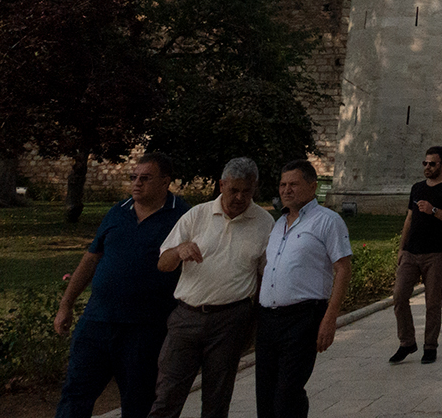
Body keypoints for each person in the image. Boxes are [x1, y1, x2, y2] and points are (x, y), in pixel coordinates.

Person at [55, 153, 190, 418]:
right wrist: (66, 304)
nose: (136, 183)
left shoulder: (184, 216)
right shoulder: (118, 211)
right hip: (97, 324)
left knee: (138, 402)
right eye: (133, 178)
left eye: (145, 178)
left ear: (165, 182)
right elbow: (91, 259)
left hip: (144, 331)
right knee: (75, 395)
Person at [150, 157, 273, 418]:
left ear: (255, 188)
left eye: (247, 191)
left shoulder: (265, 223)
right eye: (234, 190)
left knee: (217, 400)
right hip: (186, 318)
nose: (240, 197)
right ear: (221, 185)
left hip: (230, 321)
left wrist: (253, 323)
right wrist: (179, 250)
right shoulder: (197, 215)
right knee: (167, 396)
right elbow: (163, 263)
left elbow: (265, 276)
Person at [256, 160, 353, 418]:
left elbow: (343, 268)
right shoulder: (278, 225)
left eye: (293, 184)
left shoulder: (328, 221)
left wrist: (330, 318)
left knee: (287, 394)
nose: (286, 190)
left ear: (312, 187)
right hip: (268, 320)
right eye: (282, 184)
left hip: (302, 319)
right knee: (265, 395)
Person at [389, 145, 442, 365]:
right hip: (412, 252)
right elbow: (409, 219)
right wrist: (402, 249)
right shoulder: (417, 188)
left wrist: (433, 210)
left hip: (436, 253)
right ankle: (407, 342)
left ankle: (430, 345)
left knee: (433, 302)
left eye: (432, 164)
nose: (427, 167)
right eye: (425, 163)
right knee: (399, 296)